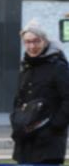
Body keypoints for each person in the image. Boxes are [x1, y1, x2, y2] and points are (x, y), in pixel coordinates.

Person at [11, 20, 69, 165]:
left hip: (48, 143)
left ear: (44, 41)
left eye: (36, 41)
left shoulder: (58, 66)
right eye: (27, 42)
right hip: (25, 140)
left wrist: (55, 126)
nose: (32, 46)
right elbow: (19, 99)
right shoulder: (26, 66)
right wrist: (15, 120)